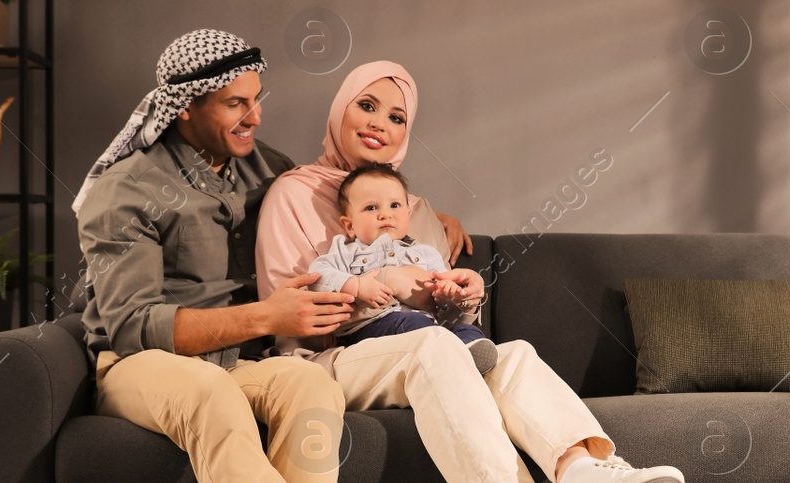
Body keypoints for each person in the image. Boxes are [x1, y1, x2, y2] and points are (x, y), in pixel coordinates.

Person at [257, 61, 686, 483]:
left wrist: (464, 297)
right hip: (327, 358)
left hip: (425, 342)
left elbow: (443, 316)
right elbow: (288, 316)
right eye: (366, 106)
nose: (379, 124)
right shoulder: (293, 194)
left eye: (397, 117)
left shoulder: (416, 212)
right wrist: (383, 284)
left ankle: (581, 468)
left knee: (511, 353)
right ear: (339, 112)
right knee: (433, 347)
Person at [71, 29, 353, 483]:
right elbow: (134, 328)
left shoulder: (269, 168)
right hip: (140, 366)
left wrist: (425, 217)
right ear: (185, 105)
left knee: (312, 385)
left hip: (239, 363)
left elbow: (349, 202)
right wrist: (266, 318)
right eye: (235, 104)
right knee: (210, 392)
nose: (256, 117)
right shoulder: (128, 189)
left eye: (257, 100)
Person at [308, 162, 497, 373]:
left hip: (428, 327)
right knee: (416, 325)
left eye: (395, 205)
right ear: (350, 225)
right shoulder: (346, 250)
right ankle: (452, 354)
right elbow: (317, 277)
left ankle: (469, 352)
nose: (385, 214)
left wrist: (449, 293)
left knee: (462, 329)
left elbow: (443, 287)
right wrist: (356, 286)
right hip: (371, 328)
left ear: (408, 213)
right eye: (371, 208)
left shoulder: (426, 253)